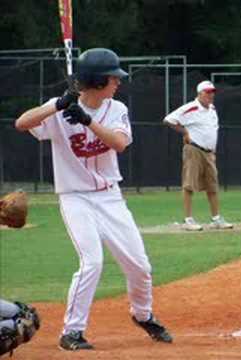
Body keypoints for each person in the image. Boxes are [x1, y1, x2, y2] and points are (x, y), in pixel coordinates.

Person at [15, 48, 172, 351]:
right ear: (98, 81)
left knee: (139, 266)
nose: (118, 83)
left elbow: (119, 143)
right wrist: (57, 105)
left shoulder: (116, 109)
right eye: (113, 78)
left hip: (110, 197)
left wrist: (87, 121)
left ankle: (143, 314)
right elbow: (22, 123)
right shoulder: (60, 109)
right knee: (92, 262)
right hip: (75, 198)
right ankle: (71, 332)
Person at [164, 80, 234, 231]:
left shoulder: (212, 109)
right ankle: (188, 220)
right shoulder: (191, 108)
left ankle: (216, 219)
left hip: (209, 153)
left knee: (213, 185)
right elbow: (169, 120)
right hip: (194, 149)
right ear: (200, 93)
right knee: (189, 184)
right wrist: (185, 132)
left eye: (212, 92)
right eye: (207, 92)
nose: (211, 95)